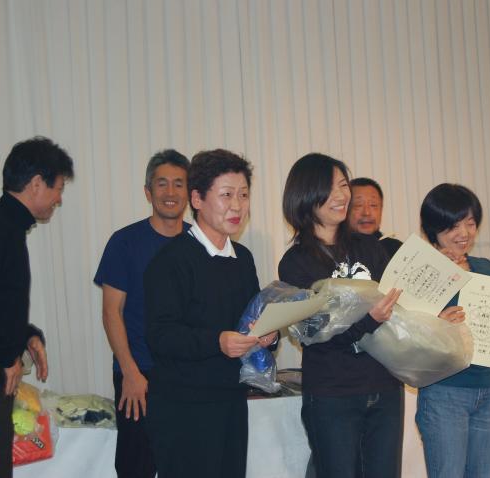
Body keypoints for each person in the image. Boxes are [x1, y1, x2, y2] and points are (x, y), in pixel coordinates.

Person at [143, 149, 277, 478]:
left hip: (231, 400)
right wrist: (217, 342)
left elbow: (249, 318)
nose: (237, 206)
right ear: (197, 199)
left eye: (243, 195)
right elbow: (160, 336)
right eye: (226, 195)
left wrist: (267, 334)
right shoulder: (171, 260)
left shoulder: (242, 258)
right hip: (184, 408)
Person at [0, 136, 74, 478]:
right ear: (36, 184)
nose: (59, 199)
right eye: (58, 188)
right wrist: (8, 355)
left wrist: (26, 335)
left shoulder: (4, 228)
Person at [278, 153, 403, 478]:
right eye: (331, 187)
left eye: (344, 185)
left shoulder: (370, 247)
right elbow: (314, 333)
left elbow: (399, 309)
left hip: (384, 387)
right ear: (306, 195)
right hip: (333, 393)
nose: (342, 195)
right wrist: (369, 320)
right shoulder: (296, 262)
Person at [414, 183, 490, 478]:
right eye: (453, 225)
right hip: (444, 391)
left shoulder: (486, 268)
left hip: (488, 388)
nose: (463, 233)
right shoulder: (423, 271)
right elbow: (405, 334)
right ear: (433, 228)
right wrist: (438, 322)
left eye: (470, 223)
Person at [94, 149, 191, 478]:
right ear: (148, 192)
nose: (170, 192)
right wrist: (130, 372)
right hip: (139, 376)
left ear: (189, 193)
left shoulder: (199, 243)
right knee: (137, 468)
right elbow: (111, 312)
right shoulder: (124, 243)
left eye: (178, 184)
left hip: (187, 377)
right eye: (162, 184)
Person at [348, 177, 402, 257]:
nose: (366, 213)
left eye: (373, 205)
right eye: (358, 205)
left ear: (381, 209)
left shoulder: (398, 250)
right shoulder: (337, 250)